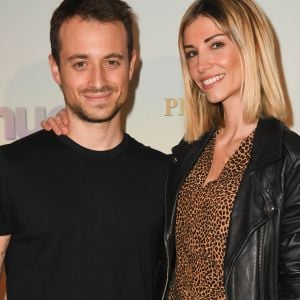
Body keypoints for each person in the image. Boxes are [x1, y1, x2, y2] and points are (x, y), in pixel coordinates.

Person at [42, 0, 300, 299]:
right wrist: (69, 128)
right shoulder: (187, 155)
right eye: (192, 53)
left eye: (216, 45)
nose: (201, 65)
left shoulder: (288, 161)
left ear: (251, 46)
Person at [0, 0, 170, 299]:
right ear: (56, 69)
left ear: (131, 65)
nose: (98, 81)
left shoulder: (166, 174)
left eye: (111, 62)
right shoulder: (9, 168)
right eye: (80, 63)